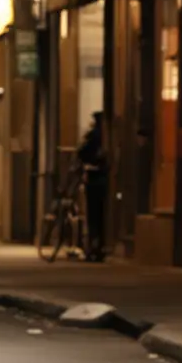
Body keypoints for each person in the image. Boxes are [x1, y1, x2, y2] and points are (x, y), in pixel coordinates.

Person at [77, 111, 108, 260]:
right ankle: (98, 246)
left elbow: (81, 152)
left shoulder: (93, 136)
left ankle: (94, 246)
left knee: (94, 216)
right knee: (100, 216)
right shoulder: (106, 137)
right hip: (103, 179)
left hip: (94, 178)